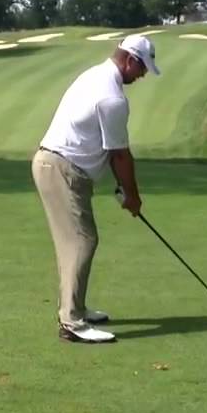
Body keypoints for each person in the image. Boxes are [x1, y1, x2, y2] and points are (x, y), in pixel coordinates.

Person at [31, 35, 159, 344]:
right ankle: (72, 322)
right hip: (63, 169)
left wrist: (125, 191)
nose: (141, 76)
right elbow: (119, 154)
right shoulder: (112, 98)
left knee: (73, 243)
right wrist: (133, 197)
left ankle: (74, 309)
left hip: (52, 164)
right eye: (141, 68)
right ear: (129, 59)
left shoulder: (93, 74)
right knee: (82, 242)